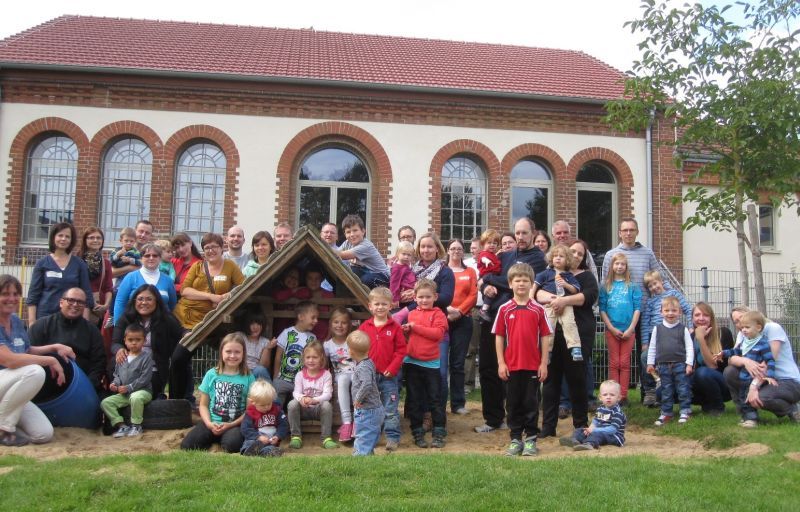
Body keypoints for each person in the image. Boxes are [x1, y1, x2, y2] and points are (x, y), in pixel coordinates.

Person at [475, 218, 546, 433]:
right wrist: (484, 286)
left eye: (525, 233)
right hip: (494, 316)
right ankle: (493, 419)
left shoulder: (538, 259)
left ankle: (524, 420)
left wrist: (490, 281)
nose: (521, 237)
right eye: (518, 233)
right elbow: (486, 275)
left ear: (533, 233)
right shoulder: (505, 255)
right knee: (489, 367)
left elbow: (514, 282)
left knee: (520, 373)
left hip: (521, 321)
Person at [538, 239, 598, 438]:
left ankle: (580, 425)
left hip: (578, 336)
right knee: (551, 380)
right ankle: (548, 427)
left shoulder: (587, 276)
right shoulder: (549, 274)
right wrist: (554, 300)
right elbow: (537, 293)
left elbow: (587, 297)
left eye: (581, 253)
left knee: (577, 379)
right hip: (552, 333)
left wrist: (564, 300)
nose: (576, 255)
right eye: (573, 251)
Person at [601, 218, 662, 407]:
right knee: (619, 359)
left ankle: (648, 392)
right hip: (618, 317)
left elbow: (659, 276)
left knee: (645, 354)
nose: (628, 233)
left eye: (632, 230)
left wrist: (666, 297)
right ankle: (616, 394)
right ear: (619, 232)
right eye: (625, 230)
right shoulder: (611, 254)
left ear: (637, 231)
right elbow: (605, 281)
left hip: (645, 312)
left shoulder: (647, 253)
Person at [494, 263, 552, 457]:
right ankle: (515, 439)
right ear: (510, 284)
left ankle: (530, 440)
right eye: (517, 280)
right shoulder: (504, 309)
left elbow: (545, 337)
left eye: (525, 280)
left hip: (532, 366)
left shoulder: (538, 309)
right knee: (512, 403)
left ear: (531, 284)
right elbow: (499, 337)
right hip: (511, 366)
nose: (521, 284)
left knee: (531, 403)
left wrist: (543, 363)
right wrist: (501, 363)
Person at [0, 274, 65, 446]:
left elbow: (25, 350)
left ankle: (6, 426)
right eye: (5, 294)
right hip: (5, 382)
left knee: (43, 434)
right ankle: (3, 428)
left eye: (15, 294)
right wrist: (50, 361)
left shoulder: (14, 319)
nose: (12, 298)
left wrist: (54, 348)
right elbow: (10, 361)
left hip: (9, 390)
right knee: (35, 371)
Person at [725, 307, 800, 426]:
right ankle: (748, 415)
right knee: (730, 372)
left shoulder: (773, 328)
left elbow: (768, 363)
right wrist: (745, 361)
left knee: (760, 398)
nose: (741, 324)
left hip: (787, 380)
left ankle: (792, 409)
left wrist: (753, 387)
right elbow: (731, 359)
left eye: (742, 317)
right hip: (765, 380)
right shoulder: (744, 333)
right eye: (737, 321)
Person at [180, 333, 254, 452]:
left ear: (243, 354)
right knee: (187, 446)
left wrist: (230, 425)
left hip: (234, 425)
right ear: (221, 352)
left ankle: (222, 438)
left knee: (232, 446)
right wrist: (209, 424)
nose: (232, 355)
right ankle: (213, 437)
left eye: (237, 352)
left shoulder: (248, 377)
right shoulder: (211, 374)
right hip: (211, 422)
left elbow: (249, 410)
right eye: (228, 351)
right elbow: (203, 405)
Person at [111, 284, 187, 399]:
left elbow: (181, 331)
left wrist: (187, 334)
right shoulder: (126, 318)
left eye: (149, 299)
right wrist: (119, 349)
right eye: (140, 299)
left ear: (156, 301)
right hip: (129, 367)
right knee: (114, 366)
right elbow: (115, 342)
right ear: (134, 301)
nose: (144, 302)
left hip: (153, 369)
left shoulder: (165, 318)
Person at [28, 288, 106, 394]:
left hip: (81, 388)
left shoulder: (92, 331)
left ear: (85, 306)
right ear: (61, 302)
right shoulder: (42, 325)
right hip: (44, 386)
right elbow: (28, 354)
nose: (75, 304)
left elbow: (99, 363)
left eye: (80, 302)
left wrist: (88, 386)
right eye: (71, 300)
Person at [359, 287, 407, 452]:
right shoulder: (365, 327)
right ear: (370, 306)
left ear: (391, 306)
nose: (380, 307)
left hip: (388, 376)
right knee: (370, 408)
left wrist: (392, 368)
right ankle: (370, 436)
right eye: (376, 304)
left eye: (384, 304)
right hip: (369, 378)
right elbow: (359, 349)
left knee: (390, 409)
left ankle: (392, 438)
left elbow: (401, 351)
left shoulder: (395, 327)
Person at [403, 279, 449, 449]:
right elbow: (412, 335)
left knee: (435, 400)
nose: (424, 300)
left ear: (435, 297)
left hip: (431, 364)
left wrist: (415, 327)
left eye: (427, 297)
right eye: (420, 297)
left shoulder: (438, 314)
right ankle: (417, 431)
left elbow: (438, 334)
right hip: (412, 362)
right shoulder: (412, 313)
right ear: (414, 297)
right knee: (414, 399)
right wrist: (408, 330)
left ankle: (438, 431)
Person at [641, 270, 693, 406]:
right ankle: (651, 389)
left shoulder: (674, 295)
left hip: (673, 334)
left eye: (655, 283)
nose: (653, 287)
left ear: (661, 282)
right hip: (655, 335)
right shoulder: (651, 302)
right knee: (645, 357)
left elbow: (687, 310)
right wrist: (645, 342)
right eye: (650, 286)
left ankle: (675, 387)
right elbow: (645, 322)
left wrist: (691, 326)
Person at [26, 222, 94, 325]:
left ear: (71, 240)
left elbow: (87, 295)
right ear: (53, 237)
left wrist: (85, 323)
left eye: (67, 236)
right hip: (45, 319)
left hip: (72, 320)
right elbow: (33, 296)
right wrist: (32, 323)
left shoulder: (79, 264)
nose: (63, 239)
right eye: (60, 235)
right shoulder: (42, 264)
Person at [173, 233, 245, 329]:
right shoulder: (197, 266)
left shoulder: (230, 266)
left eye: (214, 247)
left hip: (209, 320)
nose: (211, 250)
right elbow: (184, 290)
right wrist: (211, 297)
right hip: (183, 314)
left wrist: (227, 296)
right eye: (207, 248)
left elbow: (244, 286)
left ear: (221, 248)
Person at [718, 311, 776, 428]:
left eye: (747, 327)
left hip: (755, 377)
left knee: (748, 399)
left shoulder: (763, 344)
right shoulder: (746, 342)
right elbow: (736, 351)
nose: (743, 330)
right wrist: (724, 353)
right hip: (744, 376)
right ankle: (746, 418)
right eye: (742, 327)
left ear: (758, 327)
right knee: (743, 398)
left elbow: (770, 360)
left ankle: (752, 420)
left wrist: (769, 375)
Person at [599, 253, 642, 405]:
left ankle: (623, 396)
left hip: (628, 331)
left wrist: (631, 328)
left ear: (626, 267)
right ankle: (612, 394)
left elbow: (637, 308)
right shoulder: (606, 286)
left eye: (622, 264)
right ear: (612, 266)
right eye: (617, 264)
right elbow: (602, 309)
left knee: (624, 362)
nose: (619, 266)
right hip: (612, 330)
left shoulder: (632, 286)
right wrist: (610, 327)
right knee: (614, 362)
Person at [646, 296, 694, 425]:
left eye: (674, 310)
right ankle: (666, 413)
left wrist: (689, 364)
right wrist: (650, 363)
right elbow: (652, 347)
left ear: (679, 312)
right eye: (667, 310)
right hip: (663, 366)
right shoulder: (657, 328)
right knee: (666, 390)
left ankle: (685, 411)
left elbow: (690, 347)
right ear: (661, 312)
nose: (670, 313)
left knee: (683, 389)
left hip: (680, 365)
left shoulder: (683, 329)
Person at [101, 324, 154, 438]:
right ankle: (122, 426)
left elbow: (145, 378)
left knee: (136, 397)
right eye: (130, 340)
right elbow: (117, 374)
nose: (134, 343)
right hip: (125, 394)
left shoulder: (146, 358)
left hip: (143, 391)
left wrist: (129, 387)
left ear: (144, 341)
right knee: (106, 403)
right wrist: (115, 384)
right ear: (125, 341)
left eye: (138, 340)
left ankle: (136, 426)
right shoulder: (122, 357)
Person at [445, 238, 477, 414]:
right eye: (453, 248)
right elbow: (437, 292)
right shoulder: (442, 270)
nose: (456, 251)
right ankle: (439, 401)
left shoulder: (470, 271)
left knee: (458, 363)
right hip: (443, 318)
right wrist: (447, 309)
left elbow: (473, 295)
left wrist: (459, 311)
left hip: (463, 320)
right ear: (448, 251)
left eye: (459, 248)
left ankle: (457, 403)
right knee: (441, 363)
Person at [533, 245, 583, 361]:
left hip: (566, 305)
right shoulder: (546, 273)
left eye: (561, 256)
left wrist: (566, 284)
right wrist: (531, 297)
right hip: (549, 304)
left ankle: (575, 347)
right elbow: (535, 284)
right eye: (555, 256)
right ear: (551, 259)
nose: (558, 258)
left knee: (570, 324)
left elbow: (575, 289)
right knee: (548, 326)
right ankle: (547, 351)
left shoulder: (569, 275)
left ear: (568, 260)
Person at [287, 340, 338, 450]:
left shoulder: (326, 375)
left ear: (321, 358)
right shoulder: (300, 375)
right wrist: (302, 398)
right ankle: (296, 436)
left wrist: (314, 400)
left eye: (315, 357)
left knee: (327, 406)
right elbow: (296, 392)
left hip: (318, 410)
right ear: (303, 359)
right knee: (292, 404)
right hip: (303, 409)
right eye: (308, 357)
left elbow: (327, 394)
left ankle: (326, 438)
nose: (311, 360)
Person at [113, 244, 177, 323]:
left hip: (161, 328)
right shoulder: (130, 277)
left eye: (155, 255)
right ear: (141, 258)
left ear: (160, 258)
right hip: (134, 328)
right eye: (147, 255)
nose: (151, 258)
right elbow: (120, 303)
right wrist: (118, 327)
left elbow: (172, 305)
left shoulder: (168, 280)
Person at [272, 301, 319, 408]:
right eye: (313, 317)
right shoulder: (287, 333)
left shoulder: (312, 338)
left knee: (298, 407)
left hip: (302, 383)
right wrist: (275, 377)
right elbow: (278, 356)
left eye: (317, 318)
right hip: (282, 378)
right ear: (301, 317)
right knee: (275, 405)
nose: (316, 321)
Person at [690, 302, 734, 415]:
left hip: (722, 383)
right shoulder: (690, 336)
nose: (701, 318)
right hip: (698, 382)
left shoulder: (723, 333)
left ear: (711, 318)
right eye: (697, 315)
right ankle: (706, 403)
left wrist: (701, 339)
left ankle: (717, 407)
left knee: (703, 372)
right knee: (661, 393)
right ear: (692, 318)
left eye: (705, 315)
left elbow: (712, 366)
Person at [560, 380, 626, 451]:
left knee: (597, 435)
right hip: (600, 432)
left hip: (614, 437)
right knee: (581, 430)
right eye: (605, 395)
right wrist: (589, 429)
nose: (608, 397)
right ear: (600, 397)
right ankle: (574, 440)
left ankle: (589, 444)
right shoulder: (601, 408)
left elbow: (612, 430)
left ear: (619, 398)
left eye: (612, 395)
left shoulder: (617, 412)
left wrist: (595, 430)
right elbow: (595, 421)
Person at [347, 330, 384, 456]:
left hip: (368, 410)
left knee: (363, 439)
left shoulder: (363, 367)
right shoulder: (368, 362)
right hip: (372, 410)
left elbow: (367, 384)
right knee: (367, 440)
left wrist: (358, 399)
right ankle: (368, 460)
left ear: (351, 351)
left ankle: (359, 463)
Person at [323, 307, 356, 442]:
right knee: (342, 380)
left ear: (349, 325)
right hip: (340, 376)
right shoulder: (327, 345)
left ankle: (358, 422)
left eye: (344, 322)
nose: (340, 325)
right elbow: (325, 366)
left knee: (356, 378)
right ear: (331, 324)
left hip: (355, 373)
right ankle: (347, 422)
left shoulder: (352, 340)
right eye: (336, 322)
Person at [336, 214, 390, 288]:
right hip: (367, 272)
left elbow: (340, 255)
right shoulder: (347, 243)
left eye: (355, 230)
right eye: (348, 232)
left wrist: (324, 244)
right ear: (345, 234)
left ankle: (384, 290)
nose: (352, 234)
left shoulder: (366, 246)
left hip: (383, 276)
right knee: (350, 273)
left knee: (365, 280)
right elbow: (335, 252)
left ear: (363, 231)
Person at [240, 380, 288, 457]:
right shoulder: (250, 412)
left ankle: (266, 452)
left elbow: (283, 425)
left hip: (271, 441)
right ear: (253, 402)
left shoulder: (277, 410)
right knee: (249, 443)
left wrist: (278, 436)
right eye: (262, 405)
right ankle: (247, 451)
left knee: (270, 448)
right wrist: (258, 437)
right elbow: (245, 428)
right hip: (255, 440)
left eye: (269, 403)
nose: (266, 407)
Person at [79, 227, 113, 327]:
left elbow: (108, 287)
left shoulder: (106, 263)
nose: (95, 240)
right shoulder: (76, 260)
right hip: (79, 306)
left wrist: (106, 305)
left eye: (99, 238)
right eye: (91, 237)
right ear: (85, 240)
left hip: (98, 310)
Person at [476, 229, 502, 322]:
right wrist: (486, 261)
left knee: (493, 293)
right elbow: (482, 258)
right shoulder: (484, 254)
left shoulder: (494, 254)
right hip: (487, 276)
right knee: (490, 294)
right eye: (489, 243)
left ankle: (484, 313)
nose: (492, 245)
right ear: (483, 244)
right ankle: (484, 310)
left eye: (494, 243)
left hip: (493, 276)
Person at [242, 312, 274, 382]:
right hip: (241, 371)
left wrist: (267, 348)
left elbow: (263, 366)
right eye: (252, 324)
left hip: (256, 373)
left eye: (259, 324)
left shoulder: (265, 342)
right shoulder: (239, 337)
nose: (255, 327)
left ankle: (271, 392)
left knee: (260, 369)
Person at [390, 241, 416, 309]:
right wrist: (394, 300)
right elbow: (394, 284)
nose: (406, 257)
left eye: (409, 255)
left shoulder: (405, 265)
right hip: (405, 294)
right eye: (404, 254)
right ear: (397, 254)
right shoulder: (397, 268)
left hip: (411, 291)